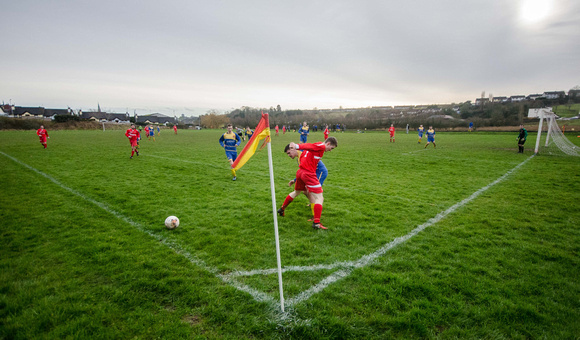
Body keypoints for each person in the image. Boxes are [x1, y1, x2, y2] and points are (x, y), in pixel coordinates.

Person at [277, 137, 338, 230]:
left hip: (301, 172)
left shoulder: (308, 151)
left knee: (296, 192)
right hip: (309, 174)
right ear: (328, 144)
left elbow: (309, 147)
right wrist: (297, 146)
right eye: (331, 148)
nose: (330, 150)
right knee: (319, 197)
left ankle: (282, 209)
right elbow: (310, 146)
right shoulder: (321, 146)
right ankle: (317, 222)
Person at [284, 144, 329, 221]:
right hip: (310, 173)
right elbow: (303, 171)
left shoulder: (302, 153)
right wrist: (295, 180)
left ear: (293, 149)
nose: (288, 155)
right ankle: (314, 204)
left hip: (319, 172)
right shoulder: (299, 156)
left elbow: (308, 169)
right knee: (305, 191)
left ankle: (315, 216)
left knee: (312, 193)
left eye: (289, 153)